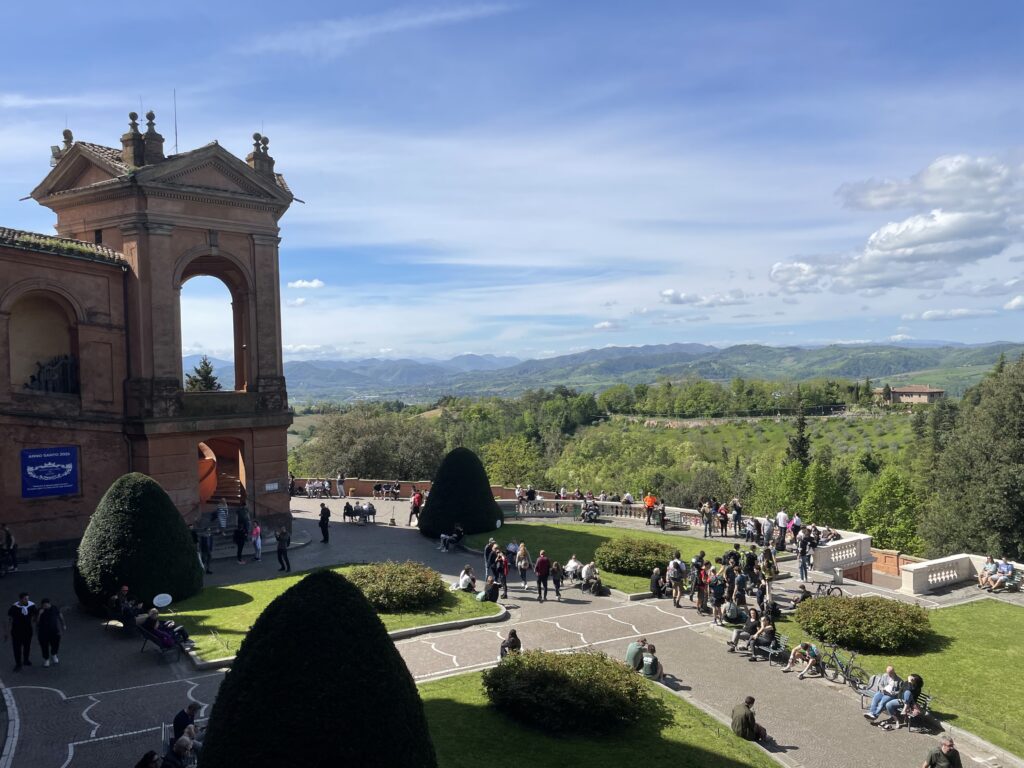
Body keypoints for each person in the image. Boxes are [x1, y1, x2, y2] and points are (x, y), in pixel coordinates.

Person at [6, 592, 37, 670]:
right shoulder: (14, 608)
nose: (27, 600)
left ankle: (26, 660)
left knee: (27, 646)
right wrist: (7, 631)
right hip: (16, 631)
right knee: (17, 648)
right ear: (20, 599)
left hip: (28, 630)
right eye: (25, 599)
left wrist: (34, 619)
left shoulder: (31, 606)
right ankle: (18, 664)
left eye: (28, 598)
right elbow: (10, 619)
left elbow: (35, 615)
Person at [36, 598, 65, 667]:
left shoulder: (54, 608)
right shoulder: (39, 610)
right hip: (43, 632)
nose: (44, 607)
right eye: (43, 605)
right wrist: (39, 614)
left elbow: (60, 615)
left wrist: (63, 624)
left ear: (49, 604)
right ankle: (46, 659)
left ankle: (54, 654)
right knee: (44, 646)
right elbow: (36, 622)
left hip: (54, 631)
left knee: (56, 644)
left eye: (46, 605)